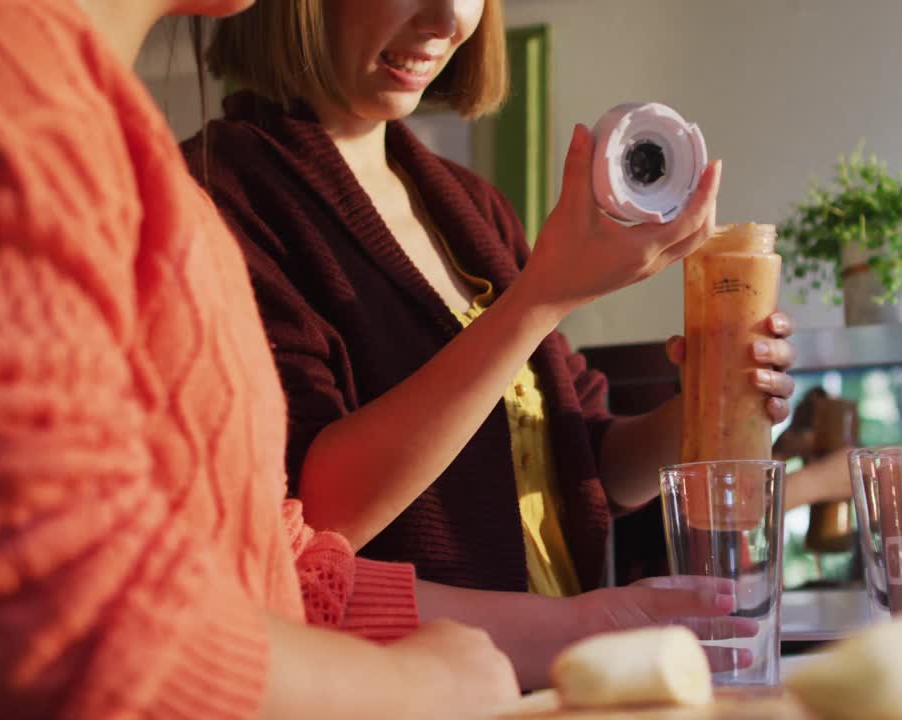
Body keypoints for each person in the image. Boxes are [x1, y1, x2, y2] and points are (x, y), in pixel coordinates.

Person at [0, 0, 524, 716]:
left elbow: (265, 561)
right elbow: (57, 622)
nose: (449, 15)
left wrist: (592, 622)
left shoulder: (125, 153)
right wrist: (422, 689)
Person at [183, 0, 848, 616]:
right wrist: (540, 300)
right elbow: (309, 519)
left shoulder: (468, 205)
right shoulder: (218, 194)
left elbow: (587, 463)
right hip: (412, 688)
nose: (447, 19)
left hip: (544, 678)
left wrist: (709, 394)